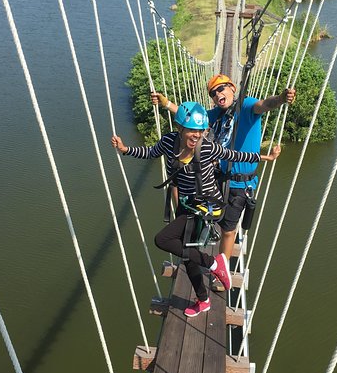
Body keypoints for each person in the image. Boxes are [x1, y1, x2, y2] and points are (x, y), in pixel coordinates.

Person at [112, 101, 281, 317]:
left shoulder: (208, 147)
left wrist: (265, 157)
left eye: (201, 131)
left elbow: (236, 156)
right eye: (192, 130)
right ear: (180, 128)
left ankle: (213, 263)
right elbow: (150, 152)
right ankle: (203, 299)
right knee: (186, 255)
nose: (196, 135)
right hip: (186, 204)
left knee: (162, 240)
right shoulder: (169, 142)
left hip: (206, 206)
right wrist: (125, 149)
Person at [152, 74, 296, 262]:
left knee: (228, 230)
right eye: (213, 93)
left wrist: (280, 99)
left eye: (221, 89)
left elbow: (265, 105)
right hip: (216, 178)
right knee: (200, 213)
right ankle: (195, 251)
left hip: (239, 184)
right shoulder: (216, 114)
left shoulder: (246, 106)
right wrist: (166, 103)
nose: (217, 94)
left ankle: (222, 269)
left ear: (232, 88)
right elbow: (189, 117)